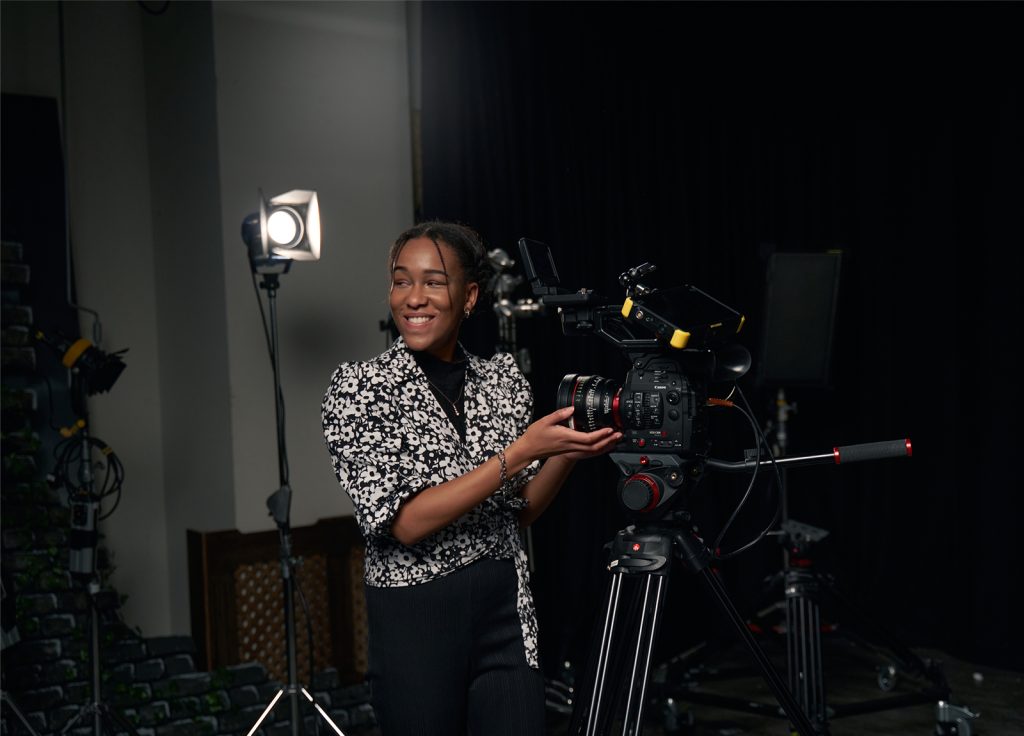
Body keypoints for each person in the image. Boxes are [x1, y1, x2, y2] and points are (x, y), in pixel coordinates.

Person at [321, 220, 621, 736]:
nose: (413, 297)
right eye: (400, 281)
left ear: (470, 296)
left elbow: (521, 509)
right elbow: (408, 523)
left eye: (434, 281)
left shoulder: (503, 382)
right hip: (416, 619)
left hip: (506, 610)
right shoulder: (359, 388)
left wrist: (566, 453)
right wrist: (521, 450)